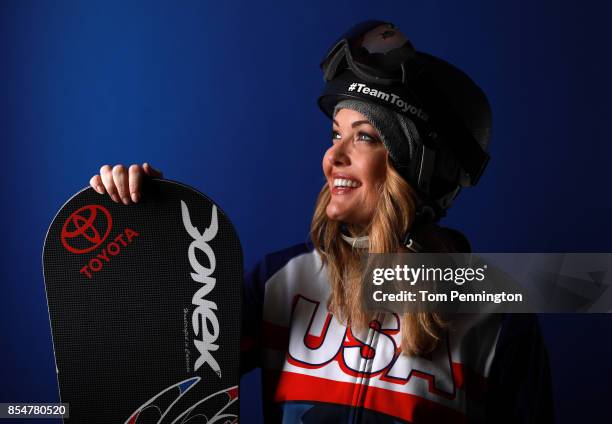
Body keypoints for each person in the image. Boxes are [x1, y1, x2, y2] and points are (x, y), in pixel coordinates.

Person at [90, 21, 553, 423]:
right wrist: (144, 236)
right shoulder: (282, 282)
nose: (333, 157)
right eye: (336, 134)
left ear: (418, 167)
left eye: (364, 137)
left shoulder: (497, 316)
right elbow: (169, 384)